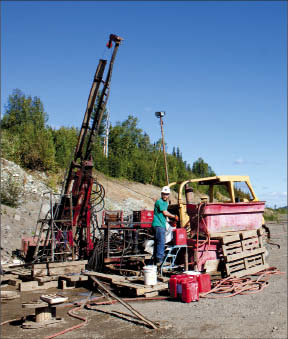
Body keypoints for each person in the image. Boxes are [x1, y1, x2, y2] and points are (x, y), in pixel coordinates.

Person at [152, 186, 178, 267]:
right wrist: (174, 216)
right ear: (161, 194)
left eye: (166, 194)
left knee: (157, 242)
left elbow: (164, 216)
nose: (165, 195)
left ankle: (155, 259)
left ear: (168, 195)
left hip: (160, 224)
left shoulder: (165, 203)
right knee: (161, 242)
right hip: (158, 225)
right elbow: (165, 213)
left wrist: (170, 221)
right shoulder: (159, 202)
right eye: (164, 194)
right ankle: (159, 260)